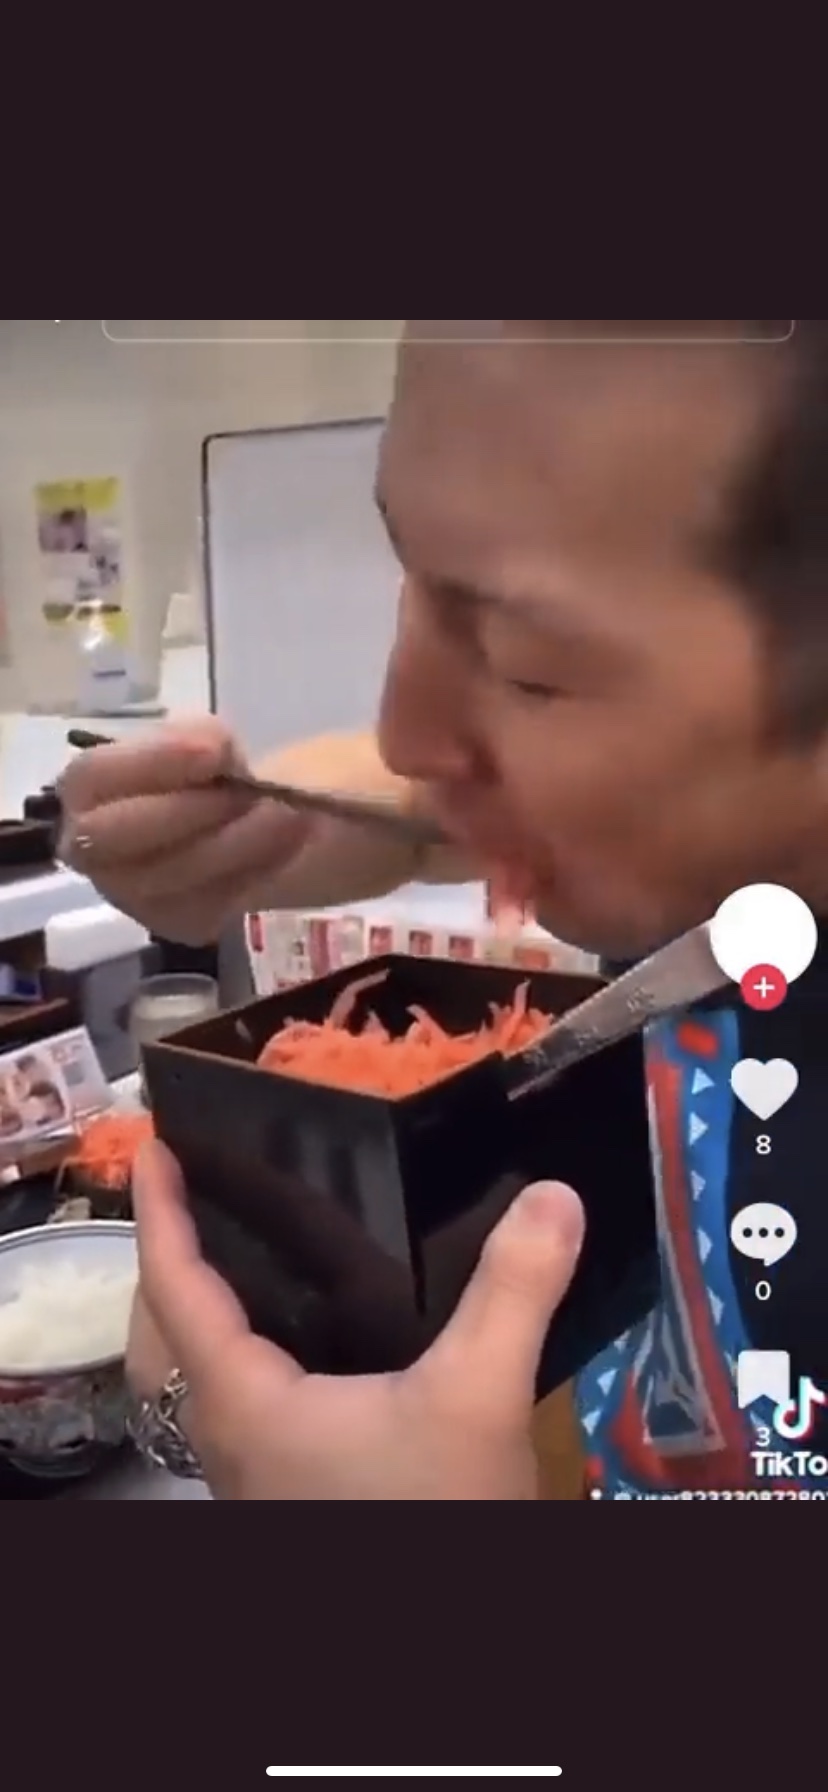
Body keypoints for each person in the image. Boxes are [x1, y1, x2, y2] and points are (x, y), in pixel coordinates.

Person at [59, 319, 828, 1499]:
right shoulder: (702, 840)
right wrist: (266, 832)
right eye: (410, 572)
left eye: (527, 665)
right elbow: (405, 779)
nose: (404, 731)